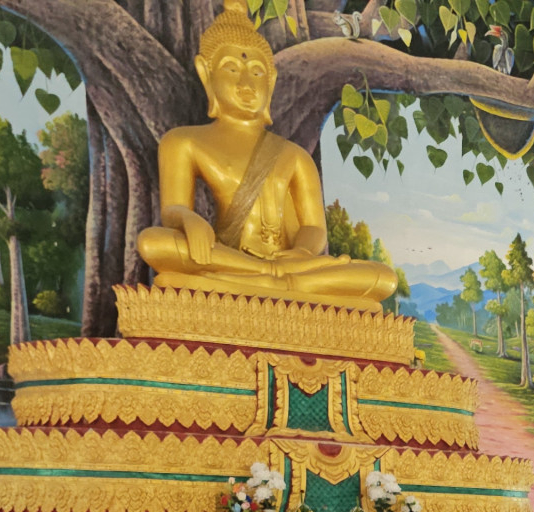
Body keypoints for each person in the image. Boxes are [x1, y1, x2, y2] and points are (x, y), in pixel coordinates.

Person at [134, 0, 398, 305]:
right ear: (206, 74)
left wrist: (299, 253)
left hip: (282, 266)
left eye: (257, 72)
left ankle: (263, 280)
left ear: (271, 82)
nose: (246, 83)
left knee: (381, 278)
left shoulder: (295, 156)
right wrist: (188, 220)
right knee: (154, 243)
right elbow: (173, 209)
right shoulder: (183, 142)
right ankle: (268, 277)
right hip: (229, 257)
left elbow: (313, 227)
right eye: (231, 68)